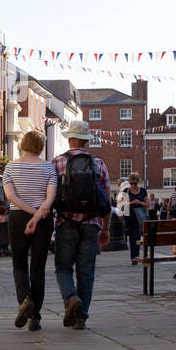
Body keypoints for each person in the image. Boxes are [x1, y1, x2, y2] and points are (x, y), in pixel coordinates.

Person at [51, 119, 111, 330]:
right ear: (86, 141)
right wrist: (105, 229)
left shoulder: (57, 162)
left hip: (65, 222)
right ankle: (81, 318)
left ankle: (70, 298)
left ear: (70, 139)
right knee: (86, 271)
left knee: (63, 268)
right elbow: (106, 202)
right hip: (92, 222)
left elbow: (50, 197)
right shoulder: (99, 164)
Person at [2, 130, 58, 332]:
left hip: (18, 218)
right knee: (38, 268)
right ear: (41, 146)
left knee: (19, 264)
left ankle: (25, 299)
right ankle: (35, 317)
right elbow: (50, 199)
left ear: (23, 144)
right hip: (43, 220)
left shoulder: (10, 167)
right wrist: (37, 216)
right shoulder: (49, 168)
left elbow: (11, 197)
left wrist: (30, 214)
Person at [125, 173, 148, 265]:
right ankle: (133, 257)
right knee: (131, 237)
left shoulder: (143, 191)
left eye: (135, 183)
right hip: (129, 217)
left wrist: (140, 202)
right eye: (131, 183)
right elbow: (122, 204)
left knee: (137, 236)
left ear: (138, 182)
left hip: (139, 217)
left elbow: (147, 204)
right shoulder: (126, 191)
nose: (133, 185)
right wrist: (131, 202)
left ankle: (136, 256)